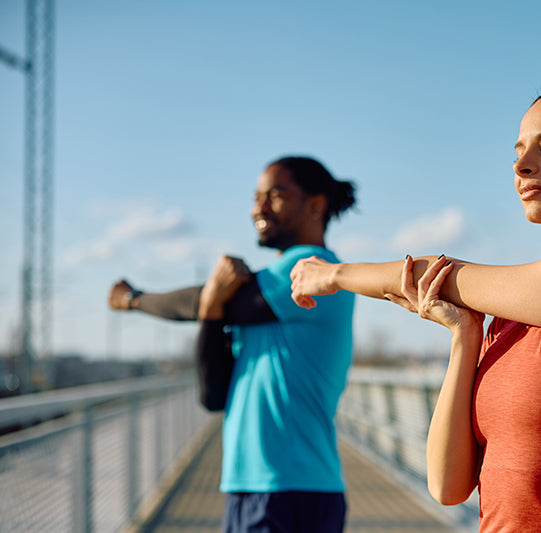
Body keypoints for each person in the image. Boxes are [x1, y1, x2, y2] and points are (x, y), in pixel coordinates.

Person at [288, 84, 541, 532]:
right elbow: (447, 486)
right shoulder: (511, 318)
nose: (522, 166)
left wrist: (333, 275)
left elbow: (436, 274)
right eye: (518, 152)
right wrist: (465, 338)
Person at [108, 156, 357, 533]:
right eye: (256, 197)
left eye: (275, 195)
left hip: (292, 490)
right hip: (250, 487)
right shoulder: (260, 307)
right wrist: (211, 308)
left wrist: (135, 299)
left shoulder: (316, 271)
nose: (258, 207)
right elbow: (213, 396)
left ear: (316, 205)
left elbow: (198, 302)